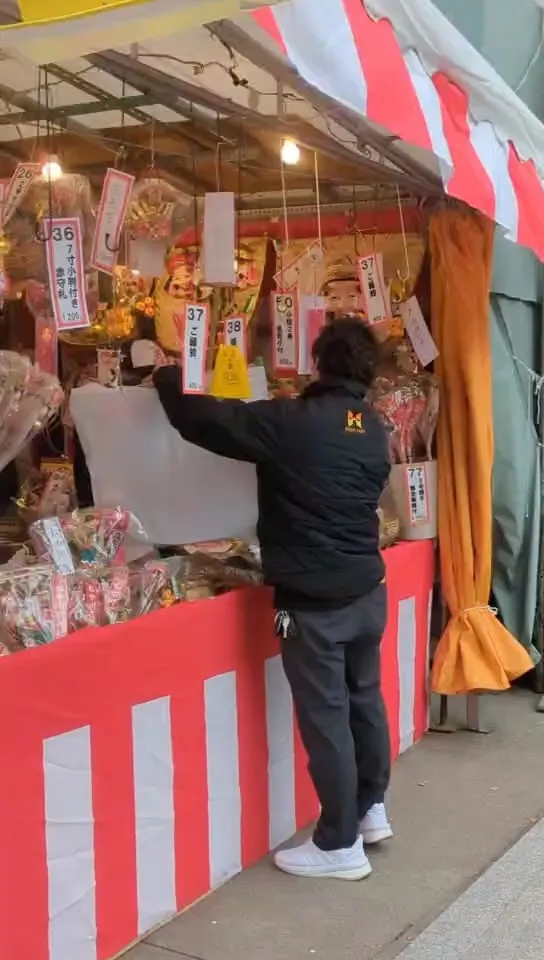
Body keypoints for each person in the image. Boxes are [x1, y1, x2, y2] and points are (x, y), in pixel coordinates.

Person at [153, 317, 392, 881]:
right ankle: (370, 808)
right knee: (364, 698)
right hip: (366, 587)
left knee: (327, 714)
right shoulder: (373, 425)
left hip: (311, 599)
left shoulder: (294, 421)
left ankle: (339, 844)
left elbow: (202, 420)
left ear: (319, 362)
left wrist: (166, 374)